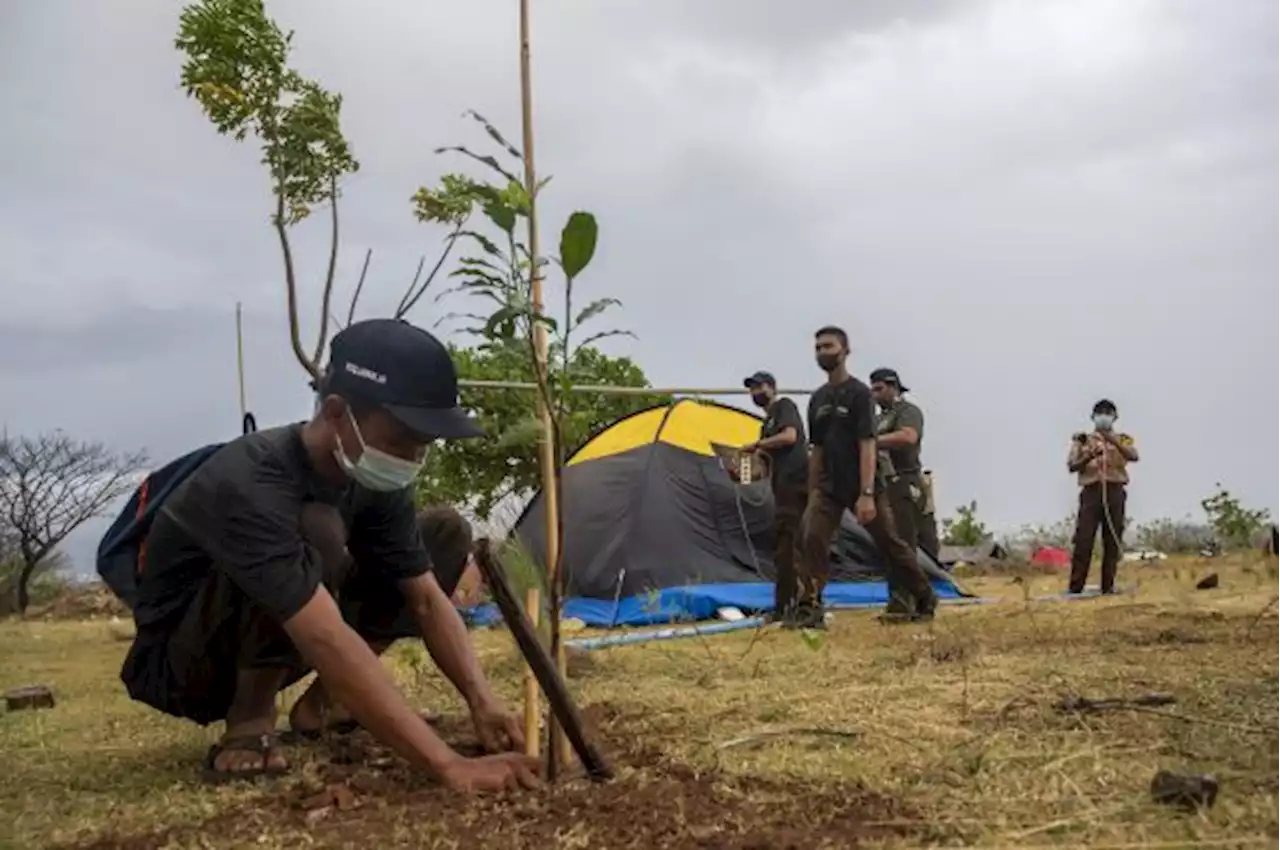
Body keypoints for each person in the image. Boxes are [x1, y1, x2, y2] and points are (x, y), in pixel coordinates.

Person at [119, 318, 540, 792]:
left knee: (444, 534)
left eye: (424, 444)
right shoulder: (249, 481)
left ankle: (328, 703)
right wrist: (447, 765)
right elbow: (322, 633)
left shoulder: (372, 475)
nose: (415, 457)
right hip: (189, 663)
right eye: (403, 439)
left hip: (297, 629)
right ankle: (250, 721)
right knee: (316, 526)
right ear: (337, 413)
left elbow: (423, 598)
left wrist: (482, 700)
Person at [795, 327, 938, 627]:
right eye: (818, 347)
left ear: (845, 350)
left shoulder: (859, 394)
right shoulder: (818, 399)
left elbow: (868, 444)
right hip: (828, 487)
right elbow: (817, 449)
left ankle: (924, 595)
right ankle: (809, 608)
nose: (822, 352)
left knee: (890, 544)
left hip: (862, 484)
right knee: (812, 537)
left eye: (828, 346)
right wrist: (811, 492)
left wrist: (867, 492)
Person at [740, 370, 808, 623]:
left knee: (792, 547)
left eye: (760, 387)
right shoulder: (765, 425)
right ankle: (784, 606)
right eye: (752, 389)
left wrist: (757, 446)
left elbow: (790, 436)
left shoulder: (784, 406)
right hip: (780, 488)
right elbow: (764, 466)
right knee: (783, 549)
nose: (755, 393)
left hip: (796, 485)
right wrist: (742, 471)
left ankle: (800, 605)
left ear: (772, 387)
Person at [1066, 398, 1138, 594]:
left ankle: (1108, 586)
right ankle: (1075, 587)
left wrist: (1111, 440)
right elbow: (1072, 465)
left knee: (1112, 541)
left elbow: (1133, 456)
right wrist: (1090, 455)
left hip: (1114, 491)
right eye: (1100, 413)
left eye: (1108, 413)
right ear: (1092, 417)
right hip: (1091, 492)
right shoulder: (1082, 439)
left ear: (1114, 417)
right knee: (1083, 540)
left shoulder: (1124, 438)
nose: (1104, 416)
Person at [869, 368, 940, 561]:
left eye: (879, 389)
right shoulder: (875, 419)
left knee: (909, 537)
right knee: (890, 539)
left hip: (905, 480)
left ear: (894, 387)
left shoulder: (908, 411)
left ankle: (922, 585)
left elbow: (908, 436)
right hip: (881, 483)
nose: (875, 395)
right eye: (872, 390)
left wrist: (871, 442)